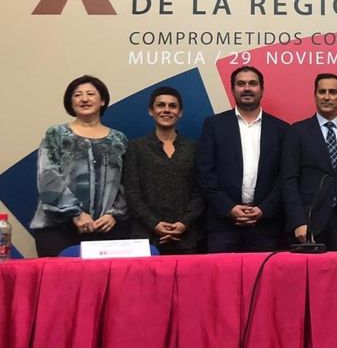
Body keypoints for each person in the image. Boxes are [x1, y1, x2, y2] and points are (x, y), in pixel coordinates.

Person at [30, 75, 128, 257]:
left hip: (105, 229)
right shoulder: (56, 134)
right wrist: (75, 213)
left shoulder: (118, 139)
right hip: (58, 229)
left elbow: (126, 181)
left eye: (91, 94)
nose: (84, 99)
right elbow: (48, 176)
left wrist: (114, 214)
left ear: (103, 100)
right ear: (70, 102)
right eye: (77, 95)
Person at [197, 66, 287, 252]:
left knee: (264, 281)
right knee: (222, 280)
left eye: (252, 84)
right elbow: (205, 173)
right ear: (232, 90)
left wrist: (264, 209)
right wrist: (229, 208)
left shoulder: (281, 129)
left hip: (265, 226)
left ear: (262, 89)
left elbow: (285, 176)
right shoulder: (214, 125)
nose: (247, 88)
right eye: (241, 84)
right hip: (222, 226)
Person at [282, 73, 337, 251]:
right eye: (322, 92)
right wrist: (298, 220)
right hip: (309, 223)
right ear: (315, 95)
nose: (327, 97)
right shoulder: (297, 131)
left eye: (333, 92)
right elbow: (289, 180)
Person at [123, 86, 203, 254]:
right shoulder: (136, 147)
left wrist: (183, 223)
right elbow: (132, 192)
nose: (167, 110)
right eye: (161, 105)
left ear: (180, 112)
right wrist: (155, 224)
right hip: (146, 236)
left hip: (186, 236)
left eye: (172, 106)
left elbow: (200, 191)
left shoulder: (194, 148)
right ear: (151, 111)